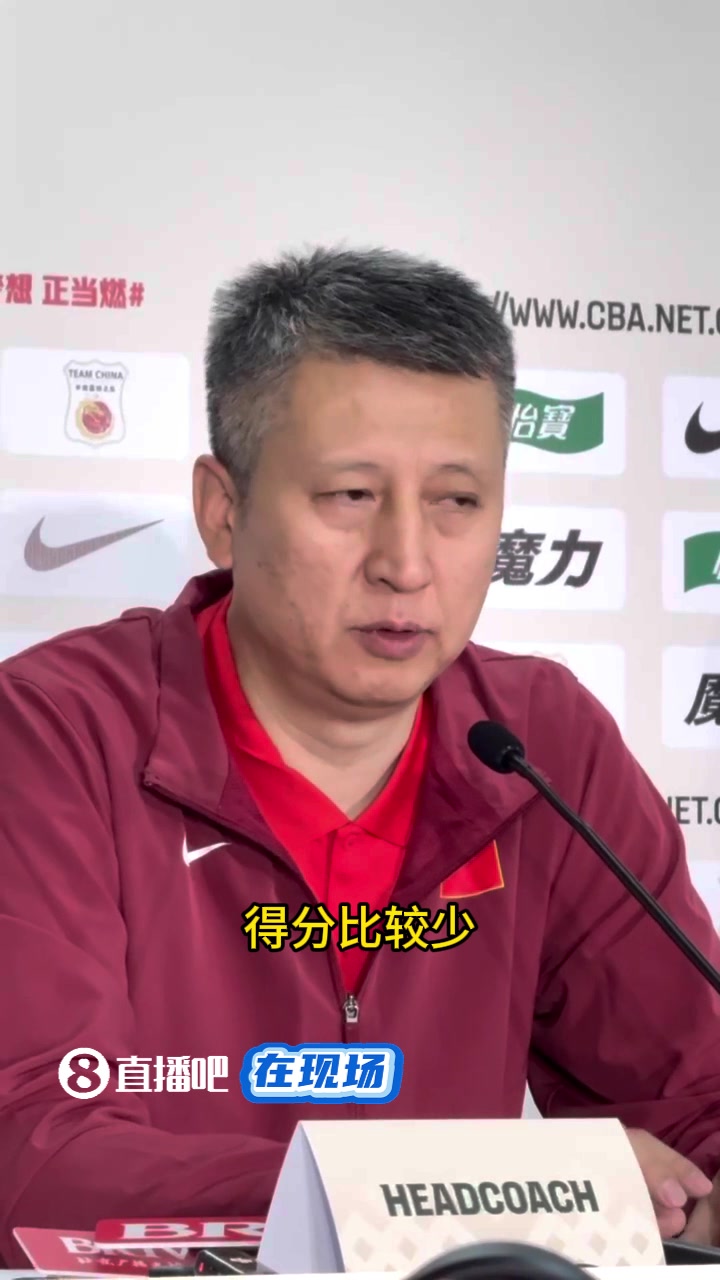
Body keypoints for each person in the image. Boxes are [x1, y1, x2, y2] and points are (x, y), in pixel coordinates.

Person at [1, 245, 719, 1264]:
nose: (407, 564)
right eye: (349, 495)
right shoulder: (52, 733)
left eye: (457, 501)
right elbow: (33, 1153)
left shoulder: (540, 739)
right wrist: (484, 1190)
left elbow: (694, 1099)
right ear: (224, 510)